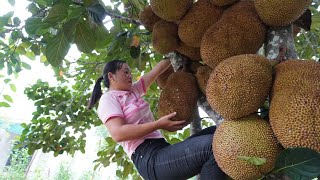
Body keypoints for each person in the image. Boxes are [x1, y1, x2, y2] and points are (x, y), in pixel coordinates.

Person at [88, 59, 226, 180]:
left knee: (219, 131)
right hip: (148, 159)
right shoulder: (109, 99)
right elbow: (118, 133)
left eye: (130, 72)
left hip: (162, 149)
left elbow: (157, 70)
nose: (130, 75)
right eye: (125, 72)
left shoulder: (133, 91)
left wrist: (177, 53)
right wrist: (158, 124)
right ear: (111, 76)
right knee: (212, 147)